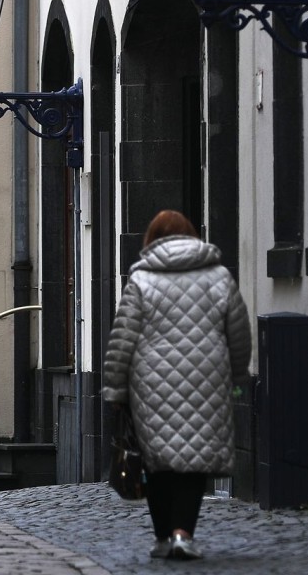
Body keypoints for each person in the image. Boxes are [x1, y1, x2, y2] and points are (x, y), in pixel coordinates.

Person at [102, 210, 251, 562]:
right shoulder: (218, 277)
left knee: (158, 463)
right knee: (193, 460)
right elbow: (239, 333)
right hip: (207, 380)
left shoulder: (141, 280)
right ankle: (184, 533)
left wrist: (114, 389)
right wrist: (237, 375)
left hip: (150, 385)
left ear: (151, 240)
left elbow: (122, 339)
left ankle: (163, 538)